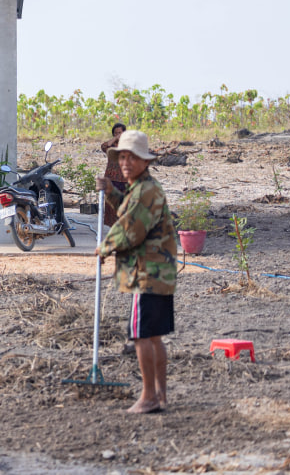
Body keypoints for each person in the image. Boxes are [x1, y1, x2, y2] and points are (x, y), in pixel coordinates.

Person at [96, 129, 178, 414]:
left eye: (132, 158)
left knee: (142, 335)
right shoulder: (142, 188)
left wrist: (105, 247)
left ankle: (148, 396)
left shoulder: (145, 191)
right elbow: (128, 211)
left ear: (145, 161)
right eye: (122, 157)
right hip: (158, 273)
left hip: (147, 274)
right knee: (154, 336)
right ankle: (160, 394)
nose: (126, 163)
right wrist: (111, 192)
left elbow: (132, 230)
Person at [100, 122, 127, 226]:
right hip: (111, 179)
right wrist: (115, 138)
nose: (118, 135)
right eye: (116, 133)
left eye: (120, 132)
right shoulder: (110, 147)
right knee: (111, 206)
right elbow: (104, 146)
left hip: (125, 180)